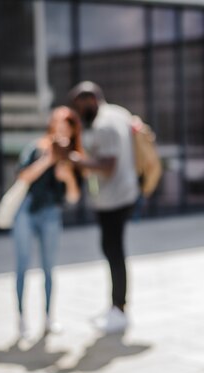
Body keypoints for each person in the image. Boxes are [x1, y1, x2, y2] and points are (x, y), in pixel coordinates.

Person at [68, 81, 139, 333]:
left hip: (114, 198)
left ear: (91, 100)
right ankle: (116, 306)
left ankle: (119, 308)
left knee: (113, 251)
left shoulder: (104, 124)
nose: (78, 111)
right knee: (112, 249)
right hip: (123, 193)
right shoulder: (119, 112)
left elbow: (108, 166)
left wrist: (78, 161)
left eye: (80, 105)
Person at [13, 106, 83, 339]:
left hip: (51, 213)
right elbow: (23, 176)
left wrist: (68, 176)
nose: (62, 131)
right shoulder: (36, 147)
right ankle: (22, 318)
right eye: (59, 125)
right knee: (22, 266)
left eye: (67, 127)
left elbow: (73, 197)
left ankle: (48, 318)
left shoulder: (73, 156)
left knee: (49, 268)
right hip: (27, 211)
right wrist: (47, 160)